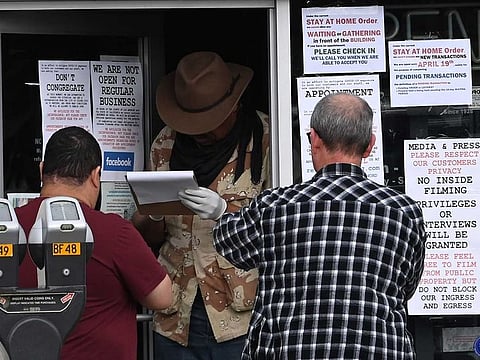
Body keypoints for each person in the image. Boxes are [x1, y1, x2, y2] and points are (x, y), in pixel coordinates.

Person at [213, 93, 427, 360]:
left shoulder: (275, 207)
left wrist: (221, 210)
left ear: (313, 139)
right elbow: (406, 287)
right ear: (370, 145)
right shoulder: (403, 212)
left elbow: (229, 243)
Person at [132, 51, 270, 360]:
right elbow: (147, 237)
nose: (202, 132)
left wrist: (226, 213)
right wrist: (153, 210)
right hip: (176, 313)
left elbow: (280, 228)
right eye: (192, 123)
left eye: (210, 123)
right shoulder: (166, 144)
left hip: (239, 314)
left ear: (233, 108)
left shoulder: (264, 139)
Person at [16, 126, 172, 360]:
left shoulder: (10, 227)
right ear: (96, 175)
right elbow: (162, 298)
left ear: (42, 171)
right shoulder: (115, 232)